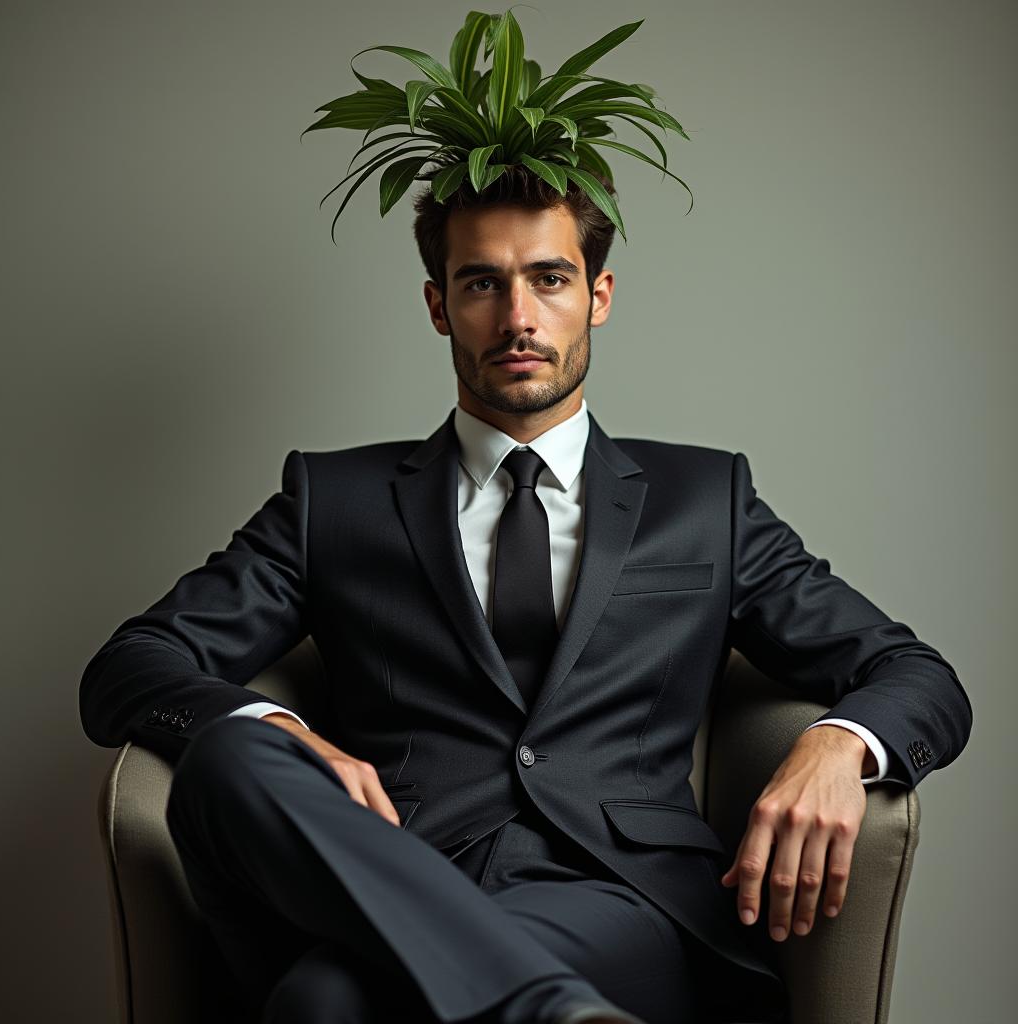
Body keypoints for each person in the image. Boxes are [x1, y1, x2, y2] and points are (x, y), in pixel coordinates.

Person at [78, 165, 972, 1024]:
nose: (518, 318)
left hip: (621, 898)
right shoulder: (333, 502)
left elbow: (914, 673)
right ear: (439, 306)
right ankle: (541, 1008)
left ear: (600, 296)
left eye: (549, 279)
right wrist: (277, 728)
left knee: (323, 1004)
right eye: (481, 284)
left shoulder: (706, 503)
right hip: (390, 874)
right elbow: (129, 667)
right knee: (226, 759)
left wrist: (837, 744)